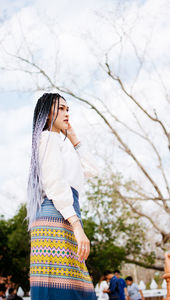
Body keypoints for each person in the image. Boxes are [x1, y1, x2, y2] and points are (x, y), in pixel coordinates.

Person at [27, 93, 97, 299]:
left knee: (74, 287)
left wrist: (74, 138)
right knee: (64, 289)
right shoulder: (47, 139)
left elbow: (92, 170)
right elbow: (55, 184)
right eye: (61, 109)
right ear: (47, 114)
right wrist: (76, 225)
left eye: (68, 109)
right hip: (57, 215)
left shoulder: (61, 142)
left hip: (66, 212)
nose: (66, 113)